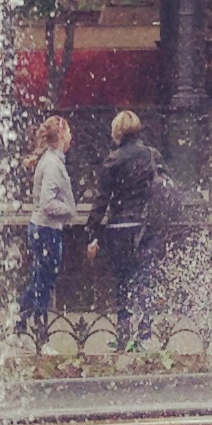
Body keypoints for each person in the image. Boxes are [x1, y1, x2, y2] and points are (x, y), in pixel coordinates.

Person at [82, 110, 161, 353]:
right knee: (145, 280)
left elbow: (102, 200)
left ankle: (123, 332)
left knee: (122, 282)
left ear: (117, 131)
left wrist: (93, 233)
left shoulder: (112, 160)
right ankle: (145, 335)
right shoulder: (151, 155)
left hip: (118, 227)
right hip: (143, 226)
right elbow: (161, 190)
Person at [18, 115, 75, 343]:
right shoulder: (52, 164)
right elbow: (47, 203)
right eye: (68, 131)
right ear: (61, 135)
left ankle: (24, 328)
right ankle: (32, 332)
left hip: (44, 229)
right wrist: (69, 210)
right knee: (42, 284)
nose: (71, 136)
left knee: (40, 282)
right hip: (46, 230)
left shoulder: (52, 161)